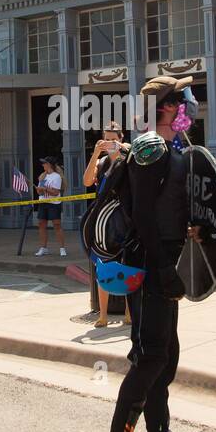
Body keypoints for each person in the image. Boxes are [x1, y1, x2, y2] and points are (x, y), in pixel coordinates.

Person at [96, 75, 207, 432]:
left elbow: (167, 207)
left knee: (165, 355)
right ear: (163, 107)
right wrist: (161, 268)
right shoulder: (150, 147)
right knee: (150, 356)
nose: (190, 104)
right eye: (182, 98)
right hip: (149, 266)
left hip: (166, 265)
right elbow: (142, 214)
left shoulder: (172, 147)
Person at [84, 122, 130, 326]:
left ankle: (129, 313)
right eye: (106, 139)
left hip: (124, 218)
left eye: (113, 139)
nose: (110, 143)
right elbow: (87, 182)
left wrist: (120, 147)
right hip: (102, 219)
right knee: (102, 265)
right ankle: (103, 314)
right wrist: (95, 154)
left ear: (120, 138)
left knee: (126, 263)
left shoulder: (127, 157)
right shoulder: (101, 162)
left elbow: (134, 150)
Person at [34, 156, 68, 257]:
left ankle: (62, 248)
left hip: (53, 203)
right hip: (43, 202)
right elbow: (40, 192)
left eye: (44, 163)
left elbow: (55, 192)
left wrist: (44, 189)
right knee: (41, 224)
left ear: (49, 165)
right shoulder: (43, 176)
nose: (42, 165)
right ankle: (43, 248)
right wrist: (39, 189)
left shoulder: (57, 176)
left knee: (57, 224)